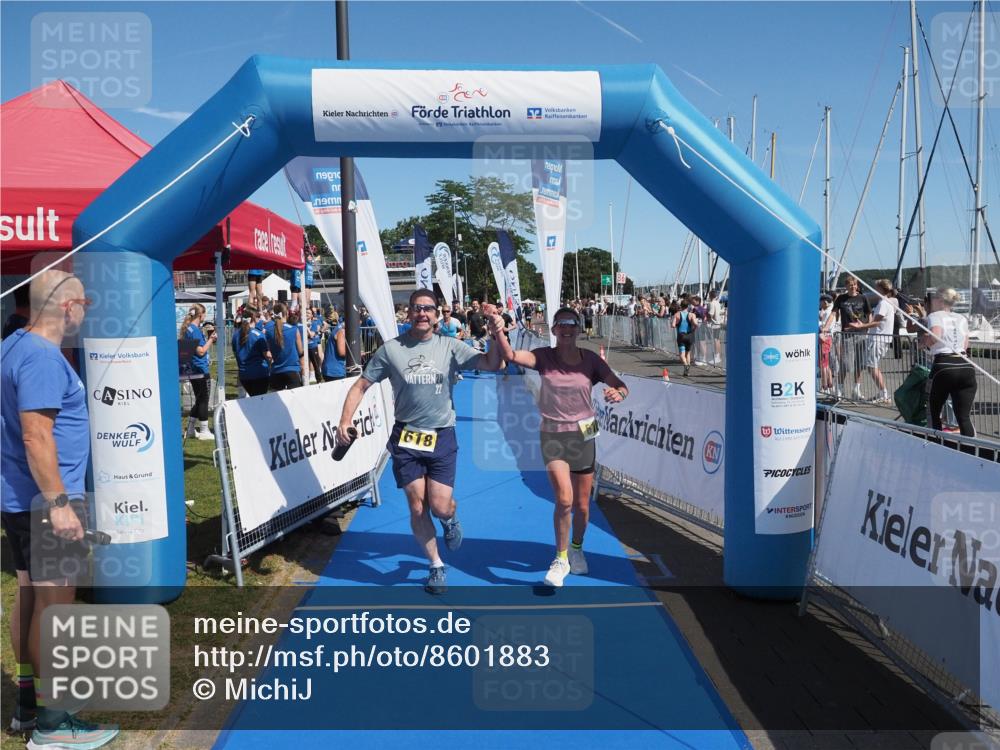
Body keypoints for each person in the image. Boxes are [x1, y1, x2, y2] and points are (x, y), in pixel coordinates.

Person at [1, 270, 119, 748]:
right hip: (48, 500)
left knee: (31, 598)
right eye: (85, 303)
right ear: (67, 307)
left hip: (19, 497)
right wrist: (59, 506)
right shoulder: (42, 358)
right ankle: (53, 725)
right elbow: (36, 434)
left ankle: (30, 706)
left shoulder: (12, 345)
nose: (87, 312)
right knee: (56, 610)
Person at [334, 289, 503, 594]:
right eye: (416, 308)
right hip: (407, 437)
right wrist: (345, 420)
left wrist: (494, 331)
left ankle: (450, 520)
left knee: (439, 506)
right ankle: (436, 565)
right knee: (416, 506)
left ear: (437, 315)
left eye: (428, 309)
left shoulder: (451, 346)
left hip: (442, 436)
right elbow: (360, 386)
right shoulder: (391, 350)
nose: (422, 313)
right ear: (409, 313)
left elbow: (493, 364)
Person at [492, 307, 628, 587]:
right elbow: (511, 356)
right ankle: (561, 557)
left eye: (572, 325)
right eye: (561, 325)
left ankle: (577, 548)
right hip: (553, 435)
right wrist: (498, 331)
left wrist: (619, 393)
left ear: (579, 330)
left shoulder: (590, 360)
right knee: (564, 500)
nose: (567, 329)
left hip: (584, 436)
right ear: (553, 330)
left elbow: (619, 384)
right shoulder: (544, 356)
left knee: (582, 504)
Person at [922, 288, 976, 436]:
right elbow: (965, 344)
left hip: (944, 366)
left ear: (939, 301)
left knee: (933, 411)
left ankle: (936, 446)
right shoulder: (961, 318)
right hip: (965, 365)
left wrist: (924, 341)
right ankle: (971, 450)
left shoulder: (935, 316)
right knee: (963, 417)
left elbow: (936, 336)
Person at [851, 279, 895, 403]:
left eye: (876, 288)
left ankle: (884, 393)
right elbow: (876, 322)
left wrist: (861, 326)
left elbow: (877, 321)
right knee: (872, 366)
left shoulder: (883, 304)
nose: (874, 290)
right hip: (880, 339)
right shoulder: (887, 302)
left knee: (871, 367)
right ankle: (883, 393)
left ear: (880, 289)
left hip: (878, 339)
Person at [179, 303, 216, 440]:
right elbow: (200, 351)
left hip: (193, 368)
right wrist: (211, 340)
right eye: (205, 314)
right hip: (199, 369)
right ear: (201, 315)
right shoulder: (194, 330)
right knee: (204, 399)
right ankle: (204, 430)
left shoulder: (189, 329)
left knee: (200, 399)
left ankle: (190, 428)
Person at [232, 305, 271, 397]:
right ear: (254, 318)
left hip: (244, 375)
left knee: (253, 401)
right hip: (259, 374)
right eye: (258, 316)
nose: (259, 318)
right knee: (259, 403)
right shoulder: (258, 335)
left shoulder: (235, 335)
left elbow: (236, 354)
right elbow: (268, 355)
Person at [265, 301, 305, 391]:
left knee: (275, 404)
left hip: (276, 372)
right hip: (292, 371)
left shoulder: (268, 331)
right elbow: (301, 352)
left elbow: (268, 353)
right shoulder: (294, 329)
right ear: (286, 313)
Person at [671, 300, 699, 377]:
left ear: (681, 306)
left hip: (681, 335)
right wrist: (693, 329)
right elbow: (696, 324)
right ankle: (687, 371)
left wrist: (676, 323)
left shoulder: (677, 314)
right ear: (688, 306)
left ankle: (685, 365)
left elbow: (673, 325)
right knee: (688, 354)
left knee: (682, 355)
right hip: (689, 335)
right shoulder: (692, 315)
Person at [322, 310, 348, 381]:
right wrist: (356, 354)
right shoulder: (341, 331)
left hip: (330, 370)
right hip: (335, 371)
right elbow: (342, 352)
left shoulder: (338, 328)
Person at [818, 295, 835, 395]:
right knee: (826, 364)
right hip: (827, 338)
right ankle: (829, 385)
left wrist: (820, 324)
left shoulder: (828, 312)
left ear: (824, 302)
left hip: (825, 338)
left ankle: (824, 387)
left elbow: (824, 326)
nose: (820, 304)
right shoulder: (829, 311)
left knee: (823, 364)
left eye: (821, 302)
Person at [306, 307, 325, 383]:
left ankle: (319, 380)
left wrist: (306, 328)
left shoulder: (314, 323)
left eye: (309, 313)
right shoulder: (300, 323)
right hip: (303, 347)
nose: (307, 314)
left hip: (312, 345)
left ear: (311, 315)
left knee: (315, 363)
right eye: (306, 313)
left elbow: (311, 335)